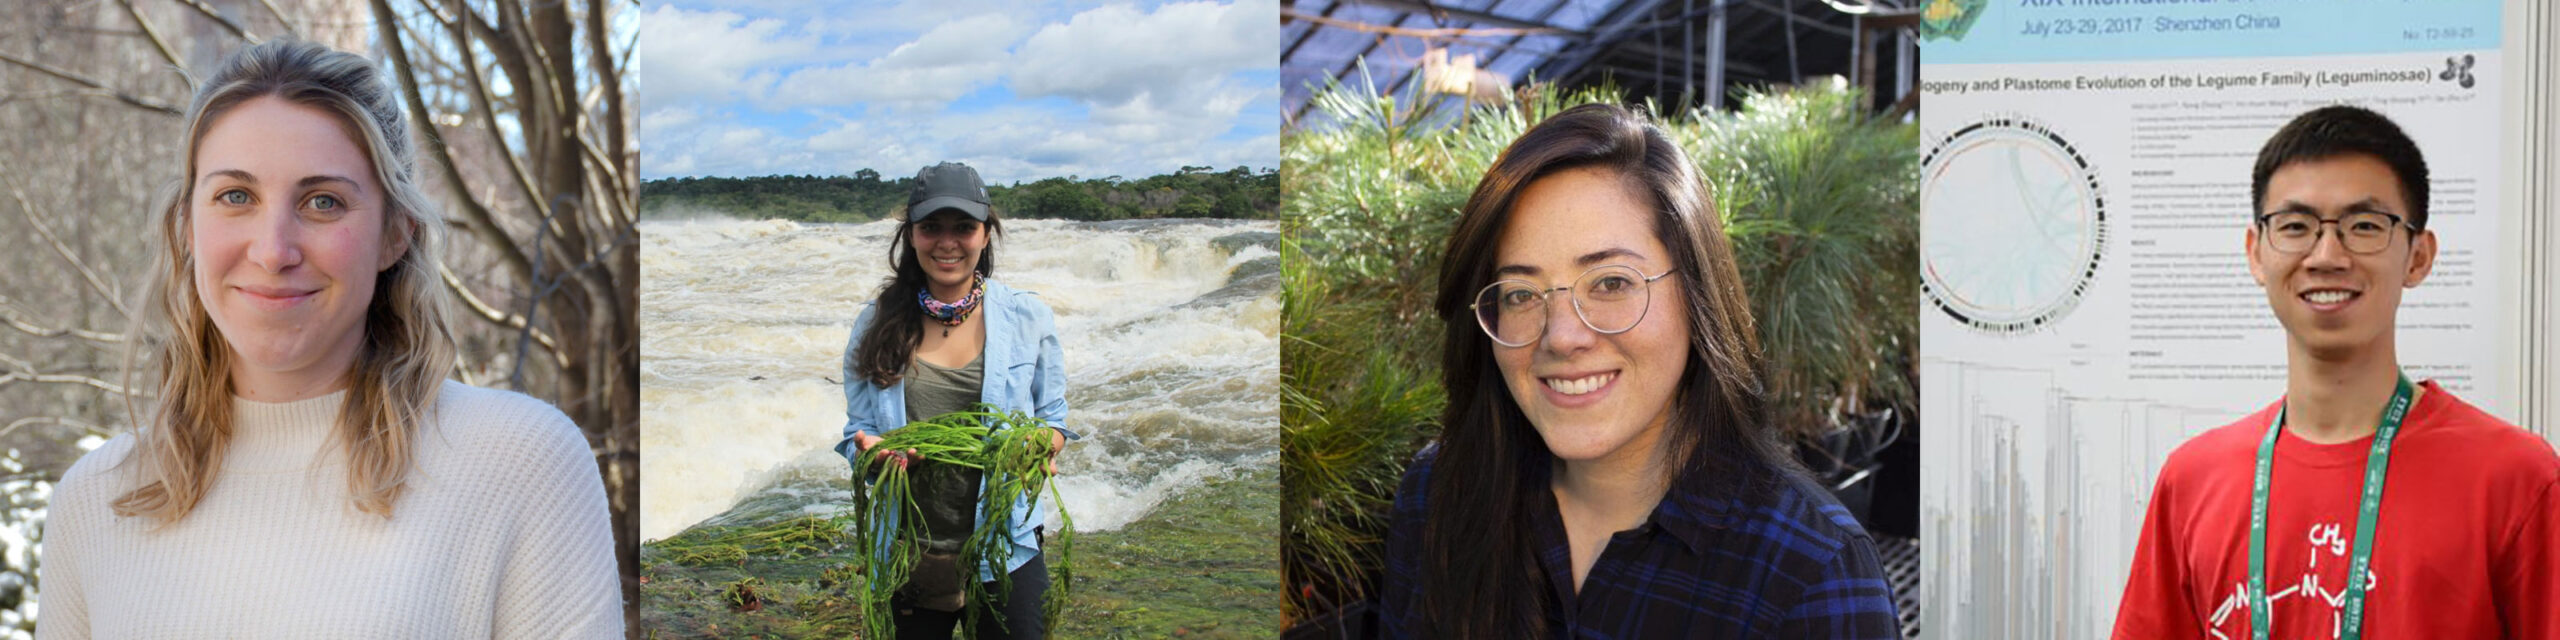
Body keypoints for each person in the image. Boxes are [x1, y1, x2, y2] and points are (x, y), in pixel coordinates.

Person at [33, 39, 621, 638]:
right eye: (236, 196)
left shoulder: (520, 464)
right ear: (187, 226)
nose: (272, 251)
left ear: (395, 234)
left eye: (323, 202)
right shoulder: (95, 502)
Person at [1378, 103, 1900, 638]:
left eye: (1611, 283)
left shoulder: (1810, 574)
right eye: (1519, 293)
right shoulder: (1440, 493)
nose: (1562, 336)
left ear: (1697, 293)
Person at [2111, 105, 2560, 638]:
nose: (2327, 254)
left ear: (2418, 256)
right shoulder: (2191, 480)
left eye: (2364, 226)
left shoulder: (2516, 478)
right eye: (2295, 226)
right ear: (2257, 254)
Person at [834, 161, 1073, 640]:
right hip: (909, 552)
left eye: (964, 227)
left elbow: (1054, 421)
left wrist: (1041, 445)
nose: (947, 242)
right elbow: (856, 431)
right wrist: (872, 453)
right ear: (911, 236)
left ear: (986, 235)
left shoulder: (1028, 316)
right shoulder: (876, 323)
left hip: (1007, 546)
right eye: (931, 228)